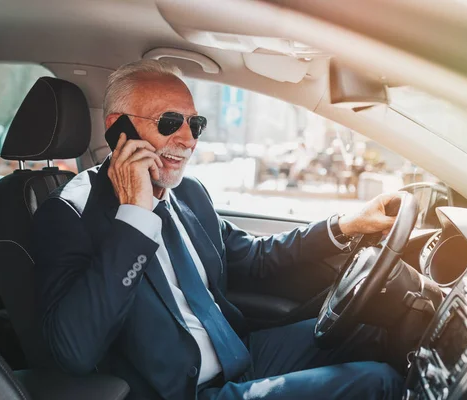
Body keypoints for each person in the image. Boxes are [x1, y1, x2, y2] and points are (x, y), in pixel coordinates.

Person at [32, 60, 403, 400]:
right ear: (118, 130)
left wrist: (348, 225)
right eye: (169, 122)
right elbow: (74, 351)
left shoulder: (189, 193)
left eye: (195, 125)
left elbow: (253, 257)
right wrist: (134, 215)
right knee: (379, 382)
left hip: (239, 355)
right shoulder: (68, 214)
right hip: (182, 391)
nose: (188, 140)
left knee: (373, 330)